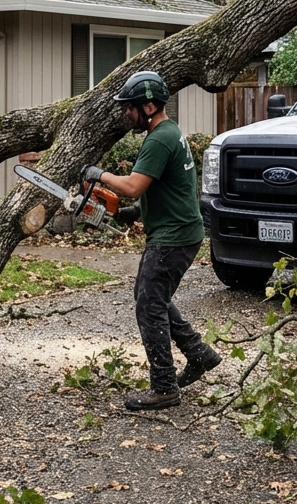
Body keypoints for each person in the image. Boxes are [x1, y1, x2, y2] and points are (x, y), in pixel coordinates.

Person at [82, 71, 221, 411]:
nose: (126, 114)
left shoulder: (160, 139)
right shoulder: (169, 134)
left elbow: (133, 185)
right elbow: (164, 191)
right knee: (151, 298)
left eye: (129, 108)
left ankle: (164, 386)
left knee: (149, 305)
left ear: (147, 106)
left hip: (173, 238)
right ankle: (199, 354)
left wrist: (97, 173)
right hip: (180, 232)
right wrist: (128, 214)